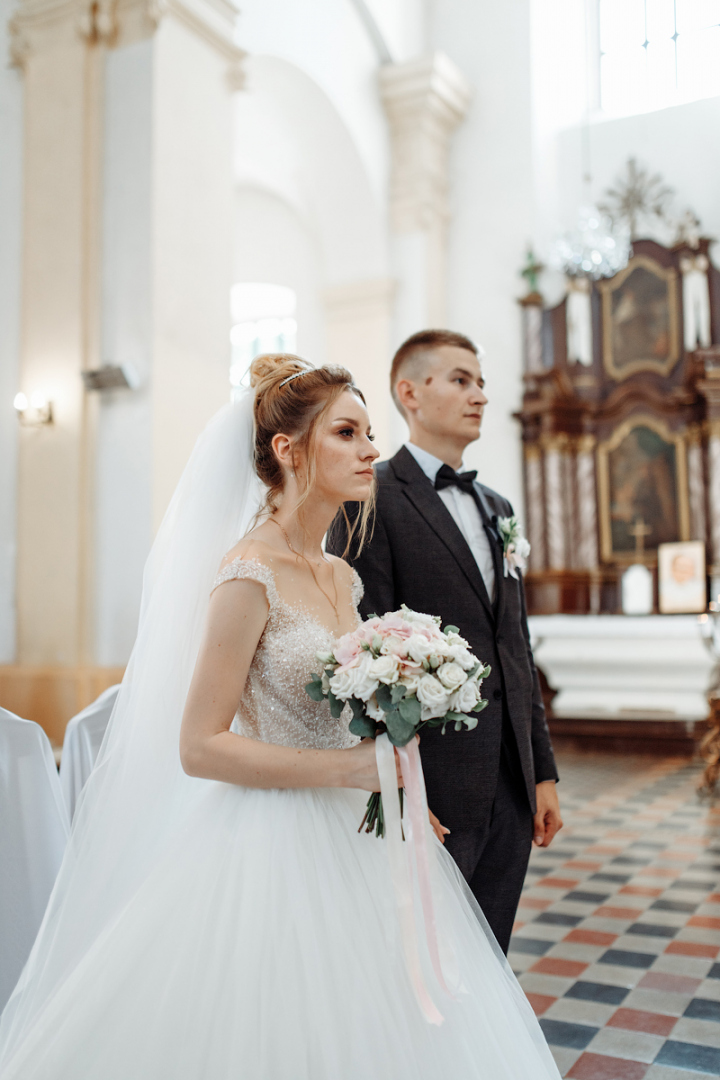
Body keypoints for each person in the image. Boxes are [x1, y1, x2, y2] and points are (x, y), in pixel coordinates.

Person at [0, 355, 560, 1079]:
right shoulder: (246, 571)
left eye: (369, 434)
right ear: (288, 451)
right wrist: (353, 768)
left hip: (356, 833)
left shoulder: (339, 573)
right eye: (348, 433)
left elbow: (350, 712)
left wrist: (393, 789)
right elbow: (199, 747)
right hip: (266, 842)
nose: (369, 451)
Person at [328, 329, 562, 954]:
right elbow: (362, 647)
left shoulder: (497, 506)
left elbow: (516, 645)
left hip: (511, 779)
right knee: (421, 957)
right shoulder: (368, 497)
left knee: (489, 953)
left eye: (481, 381)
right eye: (460, 380)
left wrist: (541, 772)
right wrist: (396, 779)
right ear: (410, 392)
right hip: (431, 778)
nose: (479, 395)